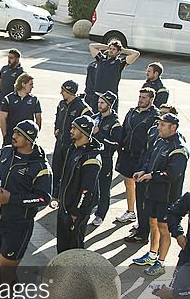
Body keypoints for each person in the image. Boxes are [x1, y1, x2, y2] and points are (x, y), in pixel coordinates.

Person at [0, 120, 52, 299]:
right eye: (15, 131)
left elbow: (43, 198)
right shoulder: (6, 152)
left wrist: (11, 199)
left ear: (30, 140)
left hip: (17, 225)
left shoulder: (40, 166)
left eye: (20, 134)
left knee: (7, 269)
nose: (14, 136)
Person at [131, 112, 190, 276]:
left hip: (167, 197)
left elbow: (172, 174)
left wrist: (152, 176)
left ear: (173, 127)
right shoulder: (160, 141)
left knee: (164, 227)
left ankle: (161, 262)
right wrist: (143, 170)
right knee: (153, 224)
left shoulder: (179, 150)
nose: (159, 128)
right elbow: (150, 160)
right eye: (159, 124)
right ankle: (151, 254)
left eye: (162, 125)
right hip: (153, 193)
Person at [55, 115, 102, 252]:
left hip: (76, 210)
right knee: (63, 246)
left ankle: (76, 273)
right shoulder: (73, 148)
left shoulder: (92, 158)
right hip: (65, 206)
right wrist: (58, 195)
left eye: (75, 128)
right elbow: (65, 175)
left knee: (74, 247)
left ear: (84, 131)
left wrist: (76, 212)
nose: (71, 130)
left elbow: (86, 190)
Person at [115, 87, 159, 229]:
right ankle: (130, 211)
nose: (141, 100)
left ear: (151, 99)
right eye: (140, 97)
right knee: (128, 182)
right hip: (128, 153)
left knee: (142, 189)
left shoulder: (154, 116)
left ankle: (142, 219)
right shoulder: (132, 112)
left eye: (144, 97)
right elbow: (124, 129)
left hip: (142, 156)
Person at [50, 80, 93, 201]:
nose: (61, 93)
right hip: (60, 143)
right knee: (56, 169)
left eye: (63, 90)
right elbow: (57, 118)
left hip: (72, 146)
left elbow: (89, 125)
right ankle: (54, 195)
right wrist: (56, 129)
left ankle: (64, 197)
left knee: (67, 172)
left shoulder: (83, 108)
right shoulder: (61, 104)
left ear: (70, 91)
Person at [90, 91, 123, 226]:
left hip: (105, 158)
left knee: (104, 187)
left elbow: (116, 144)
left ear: (109, 105)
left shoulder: (115, 123)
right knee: (92, 184)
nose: (99, 105)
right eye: (98, 102)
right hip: (92, 157)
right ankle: (92, 204)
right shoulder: (94, 118)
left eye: (102, 102)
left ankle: (100, 214)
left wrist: (100, 134)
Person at [86, 40, 141, 111]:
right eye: (110, 49)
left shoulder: (120, 63)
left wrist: (123, 50)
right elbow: (92, 46)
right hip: (97, 96)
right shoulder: (101, 59)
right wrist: (107, 47)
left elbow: (136, 54)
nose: (111, 51)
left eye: (114, 49)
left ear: (118, 52)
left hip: (110, 98)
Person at [0, 49, 24, 151]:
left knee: (8, 124)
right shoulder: (4, 69)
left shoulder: (21, 72)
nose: (9, 60)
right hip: (0, 100)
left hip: (11, 103)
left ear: (17, 59)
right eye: (8, 57)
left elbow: (21, 89)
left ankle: (6, 143)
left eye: (11, 58)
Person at [0, 73, 41, 147]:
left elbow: (38, 118)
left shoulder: (34, 100)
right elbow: (2, 119)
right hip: (11, 137)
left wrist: (34, 134)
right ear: (23, 84)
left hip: (27, 138)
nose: (32, 87)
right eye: (30, 84)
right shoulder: (8, 99)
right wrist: (5, 136)